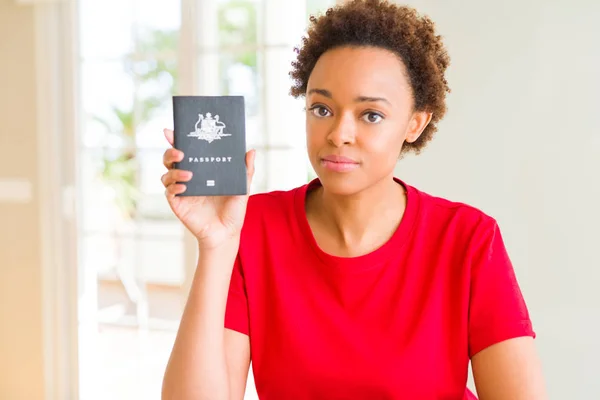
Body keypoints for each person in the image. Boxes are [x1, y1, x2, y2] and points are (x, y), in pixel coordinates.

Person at [160, 1, 547, 399]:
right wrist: (216, 246)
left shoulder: (467, 238)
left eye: (371, 115)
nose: (339, 133)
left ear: (415, 123)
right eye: (322, 108)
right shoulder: (253, 227)